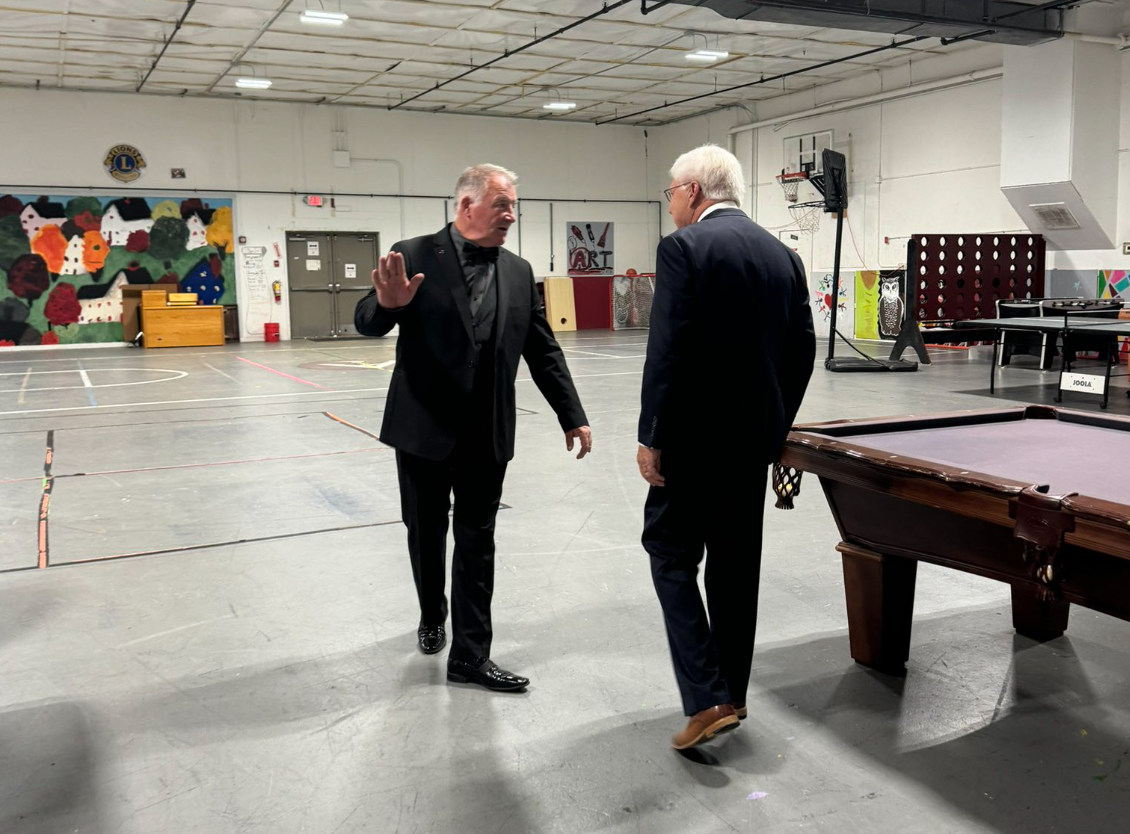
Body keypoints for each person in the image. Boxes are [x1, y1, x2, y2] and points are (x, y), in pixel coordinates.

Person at [355, 164, 593, 692]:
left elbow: (542, 348)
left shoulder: (518, 271)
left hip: (487, 429)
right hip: (423, 427)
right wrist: (388, 305)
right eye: (502, 204)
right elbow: (367, 318)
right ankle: (431, 613)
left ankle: (470, 656)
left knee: (477, 541)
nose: (511, 215)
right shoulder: (413, 254)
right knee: (425, 533)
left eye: (513, 206)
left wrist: (571, 413)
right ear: (467, 205)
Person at [637, 144, 816, 748]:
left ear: (693, 191)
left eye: (671, 192)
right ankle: (733, 694)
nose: (670, 203)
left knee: (668, 551)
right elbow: (802, 350)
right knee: (736, 568)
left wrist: (652, 436)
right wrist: (775, 425)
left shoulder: (683, 248)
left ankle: (706, 696)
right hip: (752, 444)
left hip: (691, 442)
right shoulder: (783, 255)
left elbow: (667, 350)